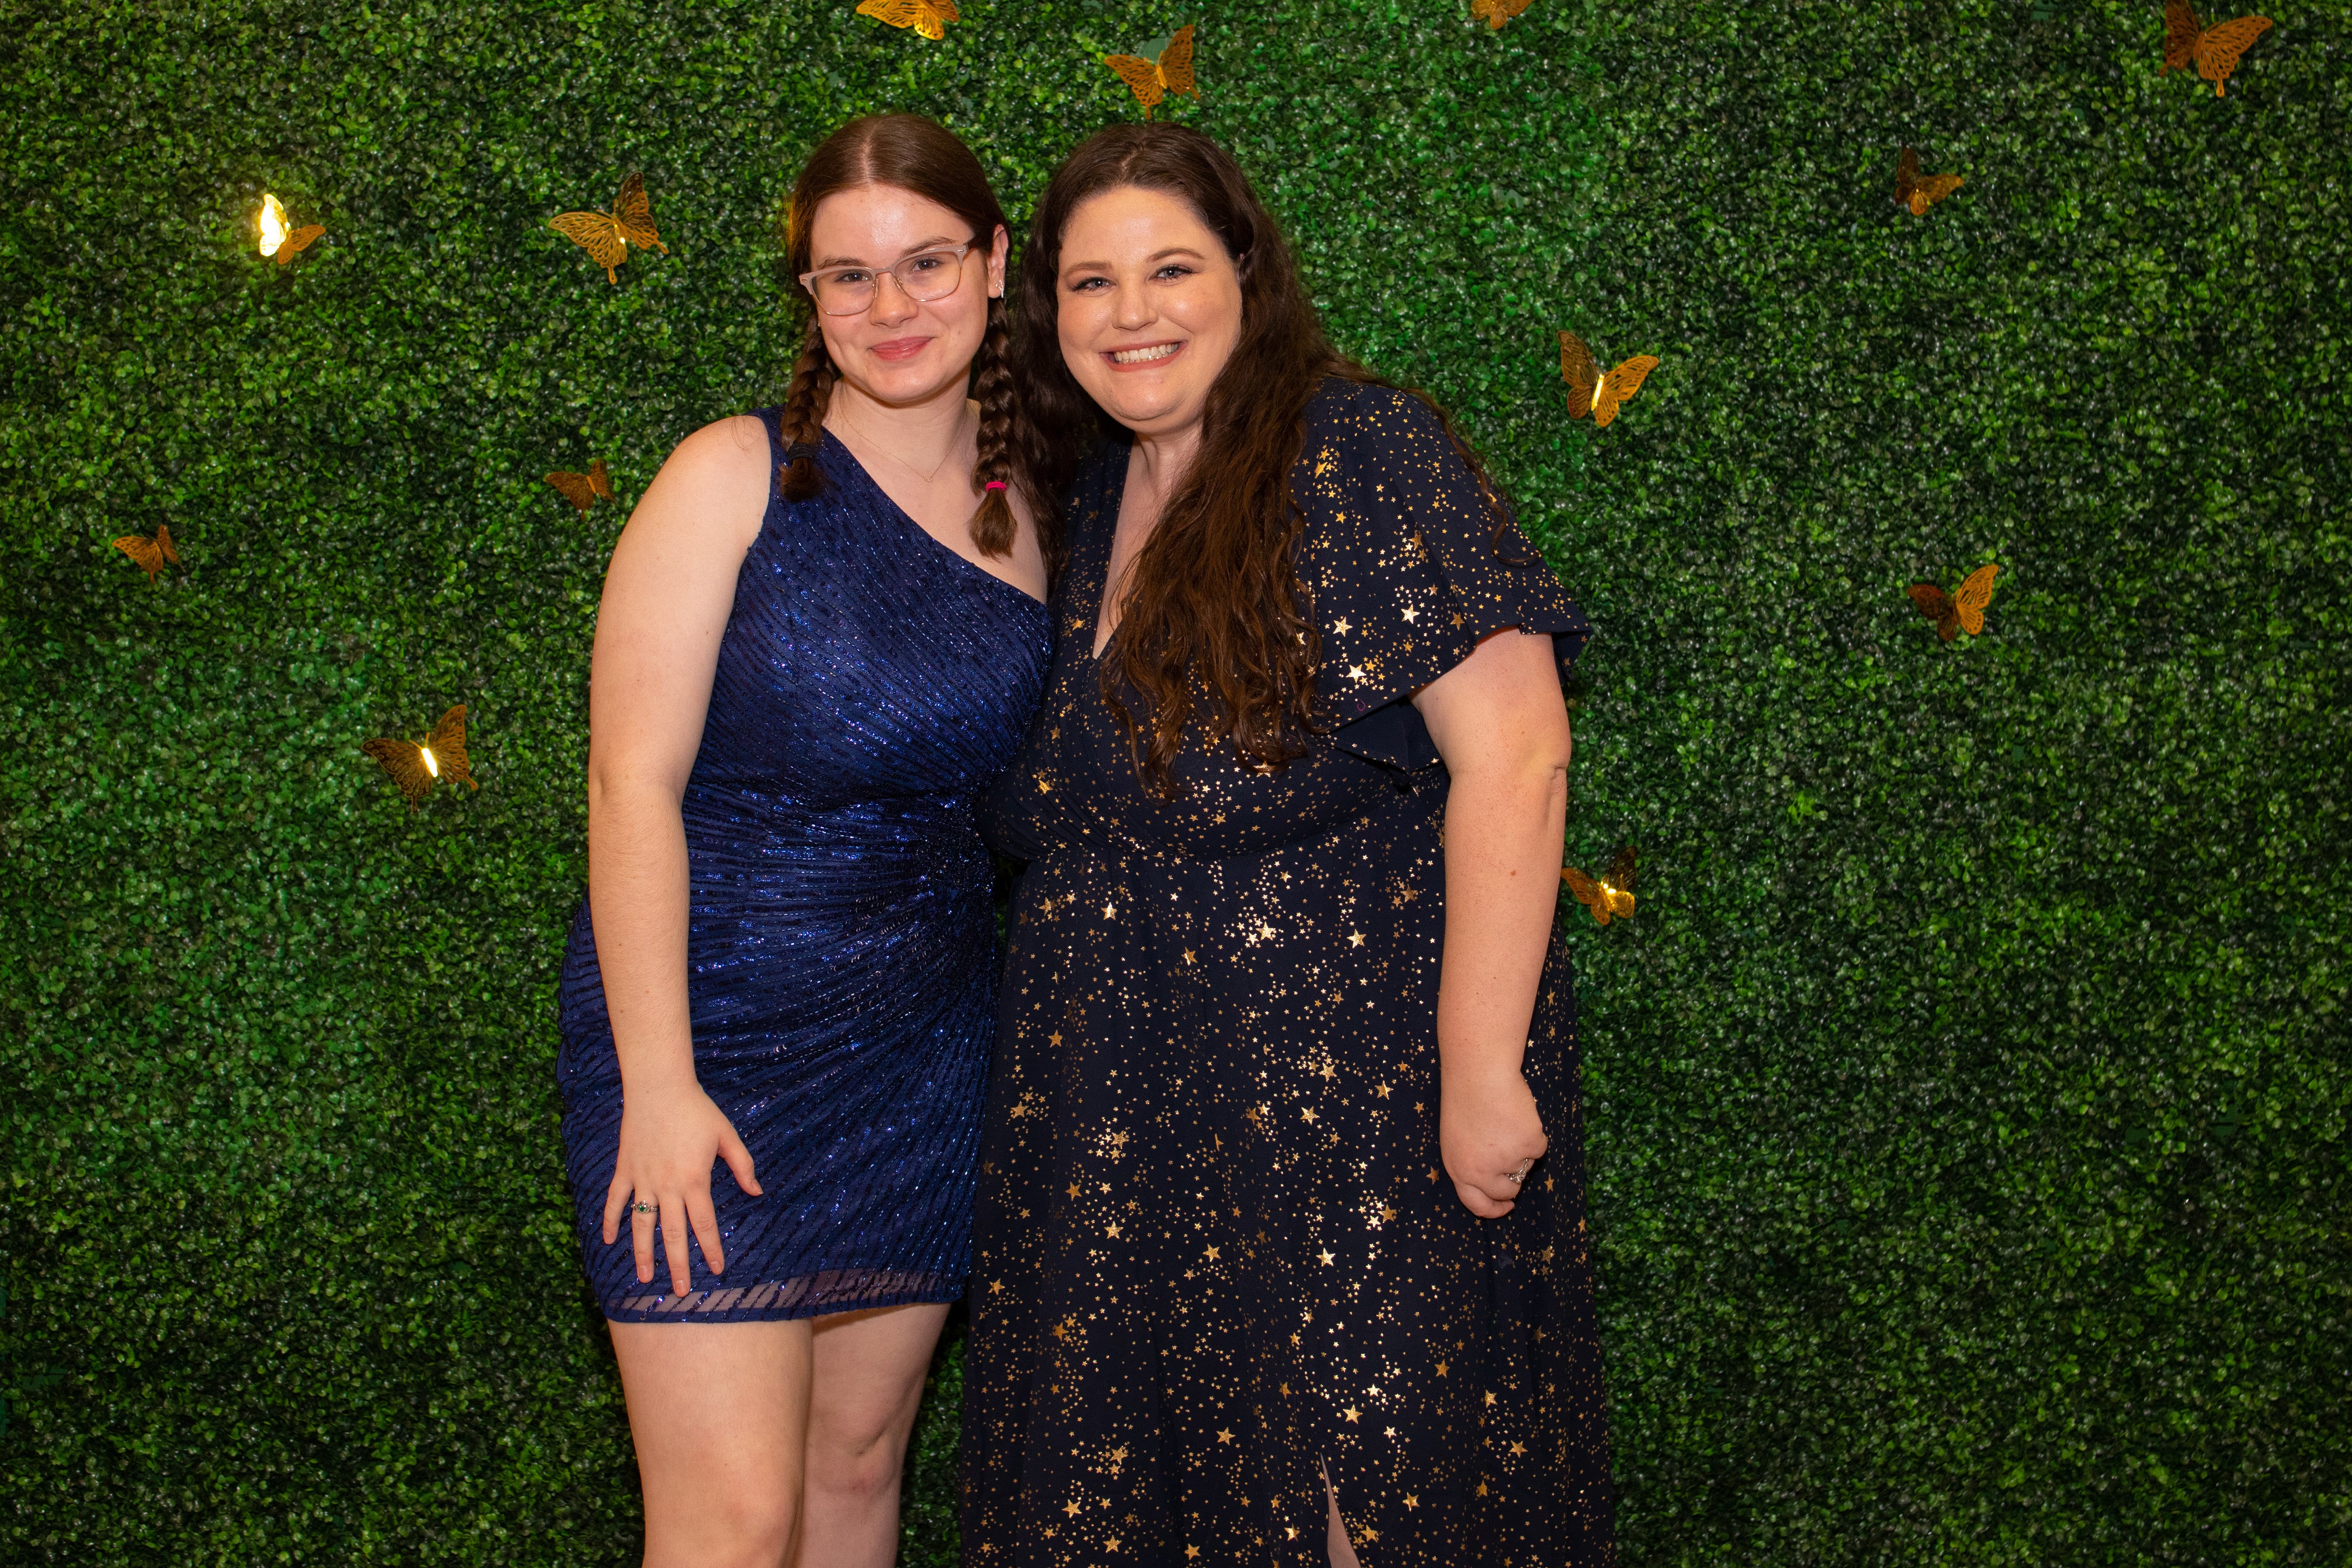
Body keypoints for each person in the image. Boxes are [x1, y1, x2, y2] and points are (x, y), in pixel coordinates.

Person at [965, 123, 1615, 1567]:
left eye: (1172, 269)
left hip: (1340, 1115)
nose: (1131, 314)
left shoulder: (1358, 448)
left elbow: (1516, 752)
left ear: (1247, 278)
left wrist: (1481, 1069)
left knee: (1365, 1495)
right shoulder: (1089, 502)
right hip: (1128, 1132)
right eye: (1091, 283)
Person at [555, 114, 1050, 1568]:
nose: (891, 307)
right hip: (710, 1044)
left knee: (852, 1472)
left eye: (927, 263)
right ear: (810, 295)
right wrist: (659, 1085)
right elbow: (629, 786)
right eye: (849, 275)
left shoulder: (1040, 516)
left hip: (925, 1055)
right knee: (733, 1518)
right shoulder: (733, 475)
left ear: (995, 261)